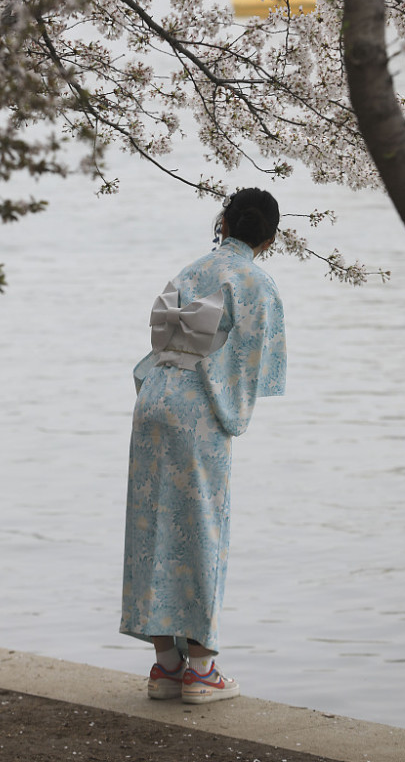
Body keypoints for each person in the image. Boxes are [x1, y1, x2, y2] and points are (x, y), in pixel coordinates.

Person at [119, 188, 287, 704]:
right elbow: (257, 366)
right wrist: (230, 404)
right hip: (196, 409)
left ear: (224, 223)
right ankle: (201, 670)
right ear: (270, 237)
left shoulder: (191, 271)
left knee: (153, 525)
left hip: (153, 399)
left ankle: (166, 667)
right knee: (201, 527)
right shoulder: (255, 282)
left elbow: (161, 338)